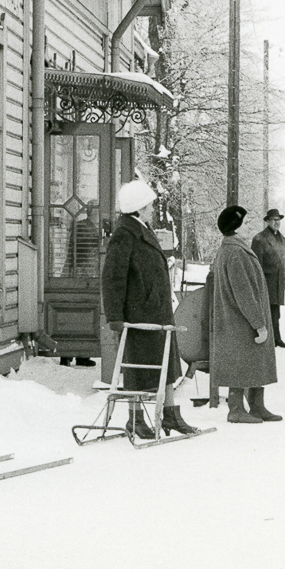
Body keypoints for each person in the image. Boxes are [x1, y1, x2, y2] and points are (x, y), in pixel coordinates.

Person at [102, 179, 199, 438]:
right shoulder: (125, 234)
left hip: (155, 310)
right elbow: (113, 278)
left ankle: (171, 414)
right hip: (138, 314)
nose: (154, 209)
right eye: (150, 205)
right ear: (139, 207)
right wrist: (115, 317)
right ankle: (135, 419)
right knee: (137, 368)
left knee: (165, 362)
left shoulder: (141, 229)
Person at [207, 205, 282, 423]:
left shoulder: (231, 249)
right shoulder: (236, 252)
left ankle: (256, 406)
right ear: (237, 226)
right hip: (241, 320)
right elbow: (244, 292)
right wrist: (258, 323)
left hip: (237, 319)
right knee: (241, 363)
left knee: (250, 362)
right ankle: (237, 409)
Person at [252, 207, 285, 348]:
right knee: (266, 311)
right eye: (273, 220)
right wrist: (259, 283)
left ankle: (276, 338)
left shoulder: (282, 239)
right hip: (266, 281)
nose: (276, 222)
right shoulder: (260, 239)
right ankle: (266, 339)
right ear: (267, 221)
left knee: (276, 311)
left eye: (278, 220)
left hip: (278, 281)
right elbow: (257, 265)